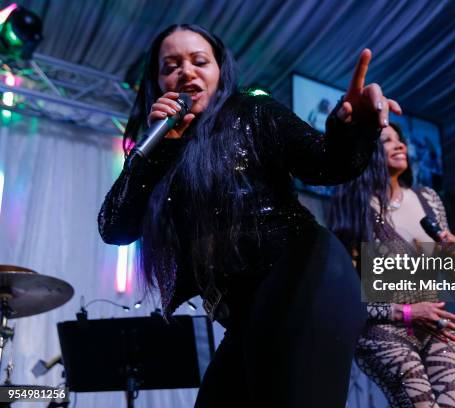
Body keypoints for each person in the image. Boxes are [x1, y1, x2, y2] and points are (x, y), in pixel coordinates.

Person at [97, 24, 401, 407]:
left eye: (199, 61)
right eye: (170, 66)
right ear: (158, 84)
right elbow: (114, 228)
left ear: (220, 70)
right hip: (246, 317)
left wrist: (351, 128)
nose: (186, 72)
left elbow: (327, 165)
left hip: (305, 276)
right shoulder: (163, 153)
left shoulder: (253, 111)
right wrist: (152, 156)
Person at [329, 123, 455, 408]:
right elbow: (345, 297)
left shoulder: (428, 199)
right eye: (386, 141)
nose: (399, 144)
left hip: (432, 320)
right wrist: (407, 312)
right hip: (382, 328)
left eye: (399, 139)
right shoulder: (355, 205)